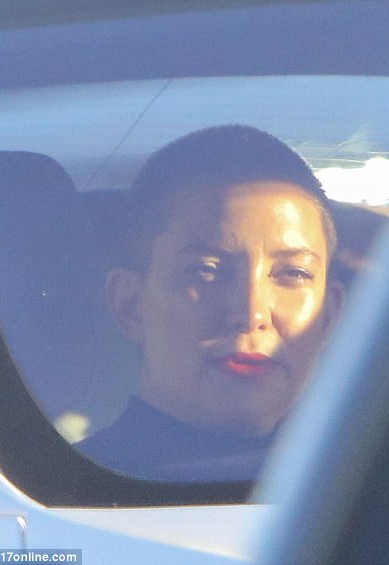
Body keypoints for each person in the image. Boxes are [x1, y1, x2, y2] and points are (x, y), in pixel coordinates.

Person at [77, 125, 344, 482]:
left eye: (293, 273)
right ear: (131, 305)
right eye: (206, 270)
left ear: (329, 316)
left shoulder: (377, 489)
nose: (251, 313)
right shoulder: (53, 493)